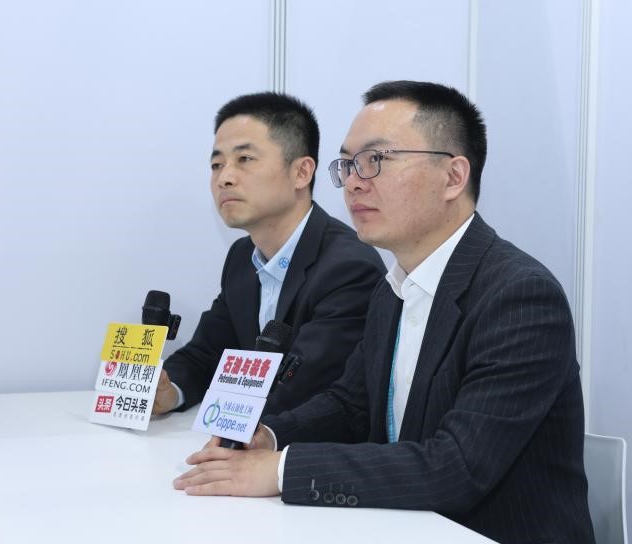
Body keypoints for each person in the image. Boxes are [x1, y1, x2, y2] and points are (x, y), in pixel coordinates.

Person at [173, 81, 595, 543]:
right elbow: (351, 405)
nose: (354, 182)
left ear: (453, 177)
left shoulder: (520, 296)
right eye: (348, 164)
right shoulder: (392, 288)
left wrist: (279, 470)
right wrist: (269, 436)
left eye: (376, 159)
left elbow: (456, 466)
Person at [153, 92, 385, 417]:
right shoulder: (242, 256)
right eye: (216, 165)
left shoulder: (349, 268)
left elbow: (306, 391)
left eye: (245, 159)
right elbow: (207, 353)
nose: (224, 178)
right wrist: (169, 391)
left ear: (301, 172)